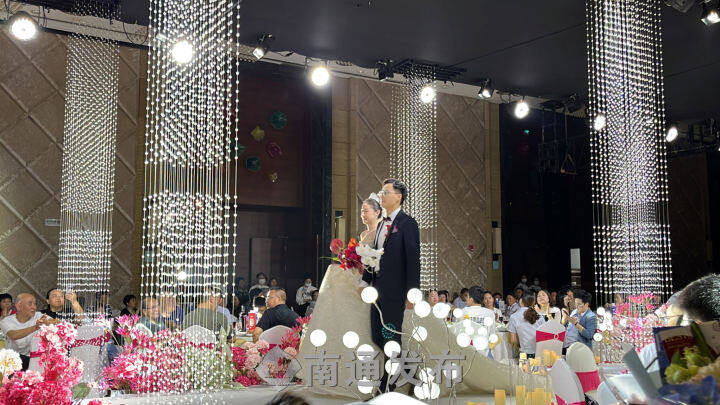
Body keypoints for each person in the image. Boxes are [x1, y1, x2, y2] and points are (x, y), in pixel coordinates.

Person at [361, 178, 421, 392]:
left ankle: (386, 387)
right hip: (377, 291)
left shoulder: (407, 223)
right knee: (377, 335)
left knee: (391, 336)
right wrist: (365, 282)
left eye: (386, 192)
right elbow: (373, 257)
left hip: (396, 292)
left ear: (399, 196)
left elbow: (413, 261)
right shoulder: (380, 225)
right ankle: (411, 373)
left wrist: (412, 294)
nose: (382, 195)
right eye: (381, 192)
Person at [0, 293, 57, 369]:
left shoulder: (38, 315)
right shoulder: (6, 321)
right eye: (30, 304)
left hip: (34, 358)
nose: (34, 307)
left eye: (35, 304)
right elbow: (13, 335)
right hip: (14, 360)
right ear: (18, 306)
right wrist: (36, 327)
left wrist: (50, 322)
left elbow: (55, 321)